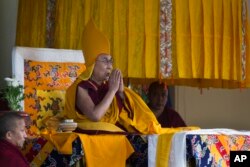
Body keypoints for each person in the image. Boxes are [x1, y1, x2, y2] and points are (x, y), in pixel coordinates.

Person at [64, 19, 163, 135]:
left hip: (111, 132)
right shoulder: (81, 87)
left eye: (111, 61)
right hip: (90, 134)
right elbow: (95, 115)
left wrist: (121, 93)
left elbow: (124, 118)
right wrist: (112, 91)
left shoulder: (107, 86)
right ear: (92, 64)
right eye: (105, 60)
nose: (109, 66)